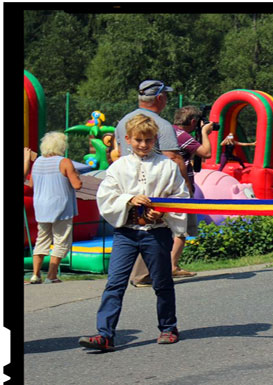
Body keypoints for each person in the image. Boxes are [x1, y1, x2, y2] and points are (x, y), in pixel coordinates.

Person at [78, 114, 189, 351]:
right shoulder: (119, 167)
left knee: (162, 282)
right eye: (138, 140)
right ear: (128, 139)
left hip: (156, 233)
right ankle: (105, 334)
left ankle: (168, 327)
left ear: (155, 139)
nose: (143, 145)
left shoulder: (167, 166)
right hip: (126, 233)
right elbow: (106, 196)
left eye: (148, 140)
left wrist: (161, 212)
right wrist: (129, 199)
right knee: (115, 283)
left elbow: (179, 196)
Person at [115, 80, 186, 286]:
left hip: (128, 187)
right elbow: (172, 157)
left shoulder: (123, 122)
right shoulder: (161, 125)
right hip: (156, 188)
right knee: (160, 230)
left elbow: (118, 154)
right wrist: (185, 186)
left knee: (133, 230)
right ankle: (156, 273)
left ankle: (136, 274)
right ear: (160, 98)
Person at [26, 132, 82, 284]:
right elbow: (77, 185)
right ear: (62, 146)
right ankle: (51, 275)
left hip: (41, 207)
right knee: (61, 240)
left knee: (41, 240)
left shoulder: (37, 162)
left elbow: (31, 184)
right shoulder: (64, 162)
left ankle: (35, 274)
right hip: (61, 207)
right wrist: (77, 175)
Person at [167, 106, 215, 278]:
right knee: (181, 228)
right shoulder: (182, 135)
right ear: (194, 122)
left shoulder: (168, 131)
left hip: (165, 187)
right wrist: (205, 133)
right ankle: (172, 265)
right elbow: (207, 153)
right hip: (180, 188)